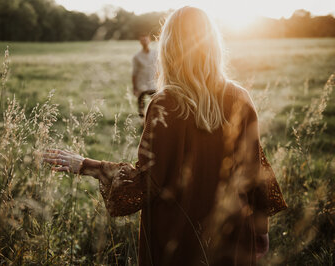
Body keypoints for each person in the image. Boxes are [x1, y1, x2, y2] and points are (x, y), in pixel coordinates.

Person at [43, 6, 287, 266]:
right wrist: (261, 229)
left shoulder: (165, 104)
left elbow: (148, 183)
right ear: (214, 45)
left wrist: (86, 165)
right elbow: (256, 173)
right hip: (232, 234)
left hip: (177, 242)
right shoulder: (241, 98)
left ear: (169, 48)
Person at [132, 33, 158, 118]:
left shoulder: (155, 53)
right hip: (141, 85)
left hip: (154, 84)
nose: (144, 42)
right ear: (140, 42)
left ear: (149, 40)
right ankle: (142, 123)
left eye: (146, 39)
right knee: (141, 106)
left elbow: (159, 68)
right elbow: (134, 73)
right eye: (142, 40)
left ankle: (154, 121)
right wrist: (134, 87)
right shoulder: (137, 56)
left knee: (156, 105)